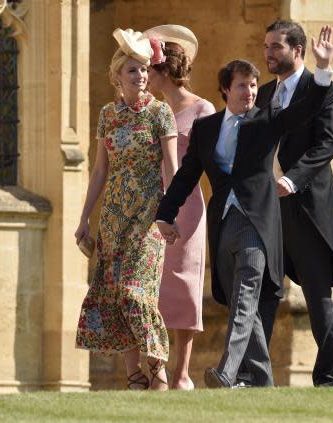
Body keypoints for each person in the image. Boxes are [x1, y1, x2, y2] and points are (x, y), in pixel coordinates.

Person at [156, 26, 333, 388]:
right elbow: (187, 175)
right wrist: (164, 214)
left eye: (254, 86)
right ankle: (261, 381)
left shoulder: (266, 120)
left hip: (257, 222)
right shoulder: (207, 128)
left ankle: (227, 371)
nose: (251, 92)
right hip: (223, 223)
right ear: (226, 90)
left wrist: (322, 70)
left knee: (245, 296)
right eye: (242, 86)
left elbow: (306, 110)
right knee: (246, 302)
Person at [75, 28, 178, 391]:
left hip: (149, 217)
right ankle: (134, 376)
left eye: (145, 70)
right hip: (114, 217)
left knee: (137, 291)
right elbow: (100, 169)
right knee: (117, 292)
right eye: (133, 70)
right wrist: (85, 217)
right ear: (117, 75)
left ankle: (158, 369)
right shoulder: (108, 115)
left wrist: (170, 213)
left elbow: (171, 168)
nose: (141, 76)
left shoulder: (161, 113)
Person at [254, 20, 333, 387]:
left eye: (276, 46)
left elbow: (326, 145)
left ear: (298, 50)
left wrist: (291, 180)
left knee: (317, 295)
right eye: (266, 46)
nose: (268, 53)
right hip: (267, 209)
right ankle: (253, 376)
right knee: (263, 290)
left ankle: (328, 378)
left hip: (308, 209)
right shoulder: (263, 94)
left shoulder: (324, 90)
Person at [143, 24, 216, 390]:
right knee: (149, 285)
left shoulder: (203, 109)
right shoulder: (151, 110)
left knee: (184, 283)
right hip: (151, 205)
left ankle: (182, 373)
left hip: (186, 206)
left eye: (148, 70)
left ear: (162, 71)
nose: (144, 77)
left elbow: (213, 161)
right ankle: (156, 371)